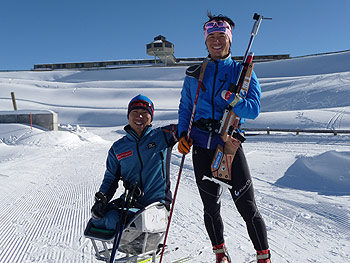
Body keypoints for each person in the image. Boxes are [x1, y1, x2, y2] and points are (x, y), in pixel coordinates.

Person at [177, 13, 271, 263]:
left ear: (230, 40)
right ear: (205, 41)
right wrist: (182, 135)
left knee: (247, 207)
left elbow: (253, 109)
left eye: (221, 36)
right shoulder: (195, 73)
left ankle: (264, 257)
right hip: (200, 145)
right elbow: (186, 107)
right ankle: (220, 254)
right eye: (211, 37)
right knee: (210, 207)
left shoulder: (243, 73)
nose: (216, 41)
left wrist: (234, 99)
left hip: (228, 145)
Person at [90, 94, 178, 231]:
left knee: (135, 222)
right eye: (135, 112)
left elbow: (189, 128)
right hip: (132, 203)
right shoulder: (118, 148)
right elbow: (110, 179)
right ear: (128, 115)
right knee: (99, 219)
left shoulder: (163, 135)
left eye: (144, 113)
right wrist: (102, 200)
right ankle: (133, 246)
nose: (139, 117)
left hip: (157, 205)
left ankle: (141, 244)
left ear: (151, 117)